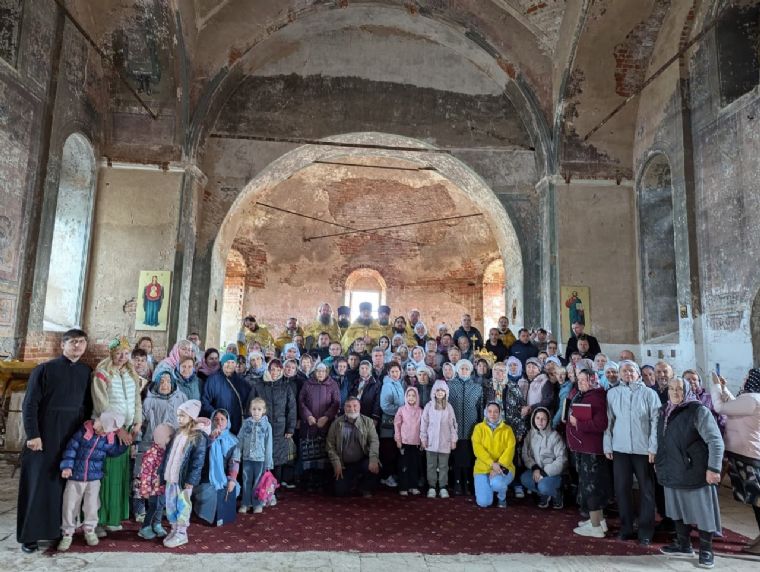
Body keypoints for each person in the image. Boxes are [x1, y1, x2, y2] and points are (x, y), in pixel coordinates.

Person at [17, 328, 92, 553]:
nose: (77, 346)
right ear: (63, 345)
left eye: (81, 342)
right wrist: (33, 435)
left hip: (72, 435)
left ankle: (56, 531)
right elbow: (30, 404)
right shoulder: (44, 370)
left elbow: (88, 406)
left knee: (63, 487)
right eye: (73, 342)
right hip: (44, 434)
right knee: (38, 483)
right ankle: (29, 536)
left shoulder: (86, 372)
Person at [657, 378, 724, 569]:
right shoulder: (664, 410)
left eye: (679, 389)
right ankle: (684, 544)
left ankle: (706, 550)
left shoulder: (698, 410)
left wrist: (714, 468)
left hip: (694, 470)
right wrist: (660, 462)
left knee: (703, 512)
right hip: (671, 468)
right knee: (676, 509)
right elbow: (661, 439)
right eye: (671, 388)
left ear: (687, 390)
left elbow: (715, 441)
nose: (675, 392)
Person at [604, 360, 661, 545]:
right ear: (619, 374)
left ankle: (645, 530)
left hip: (643, 449)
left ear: (638, 373)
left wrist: (653, 447)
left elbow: (655, 422)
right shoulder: (612, 394)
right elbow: (608, 422)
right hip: (620, 449)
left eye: (631, 370)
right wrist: (608, 445)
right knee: (621, 489)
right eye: (624, 370)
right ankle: (626, 527)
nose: (627, 373)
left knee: (646, 490)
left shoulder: (649, 394)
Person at [91, 335, 142, 534]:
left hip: (128, 430)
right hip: (109, 430)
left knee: (121, 475)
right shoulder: (102, 374)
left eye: (126, 353)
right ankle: (99, 520)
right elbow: (101, 404)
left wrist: (137, 421)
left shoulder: (131, 374)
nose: (122, 356)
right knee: (106, 474)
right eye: (118, 352)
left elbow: (137, 400)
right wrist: (117, 428)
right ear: (111, 352)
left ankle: (114, 517)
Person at [57, 410, 127, 551]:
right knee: (70, 505)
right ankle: (67, 533)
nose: (103, 433)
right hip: (76, 476)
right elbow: (71, 448)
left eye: (107, 431)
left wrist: (124, 445)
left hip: (94, 478)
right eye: (102, 429)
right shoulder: (83, 432)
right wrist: (67, 466)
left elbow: (113, 452)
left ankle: (89, 530)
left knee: (92, 505)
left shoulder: (109, 437)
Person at [711, 368, 760, 554]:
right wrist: (723, 389)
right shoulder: (751, 399)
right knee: (754, 500)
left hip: (749, 454)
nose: (744, 378)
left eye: (747, 376)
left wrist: (715, 385)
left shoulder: (753, 399)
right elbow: (734, 405)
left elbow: (721, 408)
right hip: (746, 453)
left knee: (757, 500)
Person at [566, 368, 609, 538]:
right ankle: (599, 521)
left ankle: (595, 525)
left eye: (584, 380)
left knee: (592, 487)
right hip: (584, 447)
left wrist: (578, 423)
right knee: (587, 484)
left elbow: (600, 424)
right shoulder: (585, 395)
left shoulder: (597, 397)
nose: (580, 383)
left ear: (592, 380)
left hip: (592, 449)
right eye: (579, 380)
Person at [161, 400, 209, 548]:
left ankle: (182, 533)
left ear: (191, 417)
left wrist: (191, 480)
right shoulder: (178, 433)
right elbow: (168, 455)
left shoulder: (198, 436)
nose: (179, 418)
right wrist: (161, 474)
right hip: (171, 478)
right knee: (170, 505)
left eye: (182, 415)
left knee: (182, 506)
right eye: (178, 415)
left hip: (183, 481)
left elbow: (197, 461)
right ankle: (174, 529)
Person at [248, 359, 296, 486]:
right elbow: (250, 406)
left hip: (281, 428)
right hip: (261, 428)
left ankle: (275, 487)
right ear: (268, 370)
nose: (275, 372)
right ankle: (261, 487)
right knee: (262, 457)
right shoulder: (259, 385)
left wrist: (290, 429)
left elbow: (291, 409)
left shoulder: (286, 387)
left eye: (278, 370)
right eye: (272, 369)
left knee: (278, 459)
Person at [190, 409, 239, 525]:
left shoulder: (233, 440)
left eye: (222, 419)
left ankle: (220, 515)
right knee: (209, 492)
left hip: (224, 478)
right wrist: (211, 439)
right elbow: (198, 457)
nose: (219, 422)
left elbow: (235, 462)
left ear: (228, 421)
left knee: (232, 488)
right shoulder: (204, 436)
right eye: (216, 419)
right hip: (205, 475)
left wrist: (232, 479)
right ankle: (204, 517)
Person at [326, 396, 381, 497]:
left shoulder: (368, 422)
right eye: (348, 406)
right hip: (344, 464)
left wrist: (373, 458)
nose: (352, 409)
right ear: (344, 408)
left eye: (355, 406)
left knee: (374, 465)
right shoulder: (337, 423)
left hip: (362, 460)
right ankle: (352, 483)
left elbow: (374, 441)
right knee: (340, 492)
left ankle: (364, 487)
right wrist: (336, 463)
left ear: (360, 407)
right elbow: (330, 445)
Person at [298, 362, 340, 491]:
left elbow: (336, 403)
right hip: (309, 424)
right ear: (314, 372)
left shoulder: (333, 384)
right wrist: (308, 416)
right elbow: (301, 401)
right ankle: (309, 481)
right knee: (309, 453)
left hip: (326, 424)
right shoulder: (307, 383)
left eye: (323, 371)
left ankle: (323, 482)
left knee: (324, 452)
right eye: (318, 371)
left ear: (327, 372)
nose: (320, 373)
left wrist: (326, 417)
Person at [448, 359, 484, 495]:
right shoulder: (450, 386)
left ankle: (468, 483)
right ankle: (457, 482)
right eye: (461, 368)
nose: (464, 371)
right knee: (456, 458)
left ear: (470, 371)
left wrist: (480, 427)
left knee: (469, 457)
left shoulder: (477, 388)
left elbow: (480, 409)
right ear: (457, 370)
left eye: (466, 369)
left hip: (471, 428)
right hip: (455, 428)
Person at [519, 407, 567, 509]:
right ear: (533, 419)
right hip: (538, 470)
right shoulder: (530, 434)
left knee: (543, 486)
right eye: (537, 418)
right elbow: (525, 454)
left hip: (552, 473)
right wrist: (535, 467)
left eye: (543, 419)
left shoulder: (555, 436)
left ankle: (556, 493)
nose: (540, 421)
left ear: (548, 420)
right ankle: (544, 493)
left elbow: (562, 460)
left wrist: (544, 473)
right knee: (524, 478)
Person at [472, 401, 516, 508]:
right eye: (490, 411)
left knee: (497, 484)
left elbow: (509, 451)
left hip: (503, 467)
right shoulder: (478, 428)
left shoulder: (507, 430)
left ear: (500, 413)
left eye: (496, 412)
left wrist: (498, 466)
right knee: (484, 502)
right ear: (485, 413)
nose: (492, 414)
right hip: (482, 469)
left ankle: (502, 496)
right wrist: (492, 464)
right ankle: (488, 489)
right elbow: (478, 450)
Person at [420, 380, 458, 498]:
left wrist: (453, 439)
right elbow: (424, 423)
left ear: (446, 392)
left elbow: (453, 424)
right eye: (438, 390)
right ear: (434, 392)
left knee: (443, 466)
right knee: (431, 465)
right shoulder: (429, 406)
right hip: (431, 441)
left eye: (442, 390)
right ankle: (432, 486)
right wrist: (423, 438)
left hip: (444, 441)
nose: (440, 393)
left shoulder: (449, 407)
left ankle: (442, 486)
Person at [137, 423, 175, 540]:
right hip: (153, 488)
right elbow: (145, 474)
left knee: (160, 506)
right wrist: (145, 490)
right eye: (169, 438)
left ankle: (157, 524)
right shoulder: (151, 454)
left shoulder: (166, 453)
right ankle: (145, 527)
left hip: (162, 487)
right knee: (153, 507)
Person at [237, 398, 273, 514]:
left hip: (260, 459)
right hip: (247, 458)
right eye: (254, 409)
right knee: (246, 481)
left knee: (258, 482)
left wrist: (268, 462)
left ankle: (257, 503)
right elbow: (240, 440)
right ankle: (245, 503)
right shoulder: (246, 424)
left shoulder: (267, 426)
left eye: (259, 409)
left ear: (264, 411)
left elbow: (269, 445)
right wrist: (237, 456)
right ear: (250, 410)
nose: (256, 412)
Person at [201, 353, 251, 434]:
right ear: (222, 363)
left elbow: (248, 402)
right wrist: (216, 414)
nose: (230, 365)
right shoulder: (213, 380)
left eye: (232, 362)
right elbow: (205, 401)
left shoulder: (242, 382)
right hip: (219, 425)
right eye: (227, 362)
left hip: (238, 424)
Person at [379, 362, 406, 488]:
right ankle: (385, 476)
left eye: (397, 371)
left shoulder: (399, 384)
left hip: (399, 422)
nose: (395, 374)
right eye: (393, 372)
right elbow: (385, 406)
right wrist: (402, 411)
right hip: (388, 424)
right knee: (388, 451)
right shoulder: (387, 385)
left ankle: (391, 475)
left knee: (395, 451)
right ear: (388, 373)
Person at [394, 386, 423, 496]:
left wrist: (422, 441)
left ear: (417, 397)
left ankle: (413, 486)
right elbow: (397, 425)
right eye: (409, 395)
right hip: (404, 442)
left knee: (414, 465)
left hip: (416, 443)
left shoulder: (421, 411)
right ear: (405, 397)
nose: (411, 398)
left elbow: (423, 427)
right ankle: (403, 486)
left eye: (413, 396)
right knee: (404, 465)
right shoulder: (401, 410)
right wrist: (398, 439)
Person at [683, 369, 726, 434]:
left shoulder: (709, 398)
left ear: (699, 382)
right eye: (688, 379)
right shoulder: (680, 401)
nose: (691, 381)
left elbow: (723, 417)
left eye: (694, 379)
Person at [349, 360, 382, 426]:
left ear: (370, 370)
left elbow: (377, 402)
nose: (364, 370)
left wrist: (375, 417)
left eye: (366, 368)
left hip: (368, 414)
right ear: (359, 370)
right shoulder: (355, 381)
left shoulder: (376, 383)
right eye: (362, 368)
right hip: (354, 413)